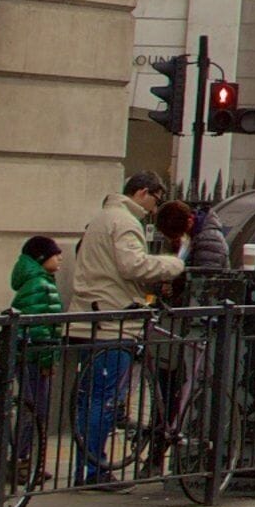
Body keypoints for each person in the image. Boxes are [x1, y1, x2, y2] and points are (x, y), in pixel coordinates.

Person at [65, 175, 182, 483]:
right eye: (156, 200)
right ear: (142, 192)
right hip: (112, 322)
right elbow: (133, 266)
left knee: (89, 398)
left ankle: (86, 466)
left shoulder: (103, 218)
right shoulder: (125, 221)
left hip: (91, 318)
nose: (155, 208)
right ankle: (93, 470)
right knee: (102, 400)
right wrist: (174, 265)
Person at [7, 236, 63, 483]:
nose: (60, 257)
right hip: (35, 355)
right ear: (42, 258)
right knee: (34, 409)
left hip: (26, 353)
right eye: (55, 254)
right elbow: (43, 329)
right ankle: (22, 461)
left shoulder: (34, 281)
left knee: (32, 409)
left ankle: (26, 461)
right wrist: (48, 361)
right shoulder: (41, 285)